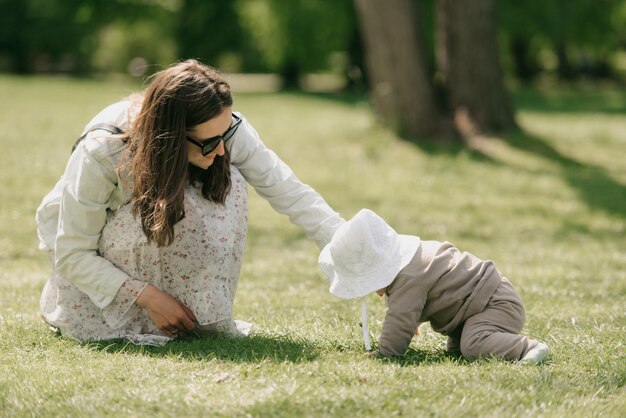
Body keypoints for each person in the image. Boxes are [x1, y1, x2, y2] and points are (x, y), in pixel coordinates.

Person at [36, 59, 344, 345]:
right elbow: (73, 253)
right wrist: (147, 297)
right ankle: (147, 315)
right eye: (210, 143)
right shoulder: (102, 151)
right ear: (170, 137)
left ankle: (191, 313)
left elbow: (289, 190)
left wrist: (360, 255)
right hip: (98, 262)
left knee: (232, 181)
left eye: (227, 135)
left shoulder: (221, 127)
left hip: (159, 230)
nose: (222, 150)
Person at [319, 209, 550, 364]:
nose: (377, 292)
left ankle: (528, 348)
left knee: (473, 345)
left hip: (494, 305)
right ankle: (497, 342)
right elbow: (438, 284)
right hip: (478, 305)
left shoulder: (408, 277)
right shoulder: (412, 260)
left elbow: (400, 318)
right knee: (457, 351)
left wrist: (386, 354)